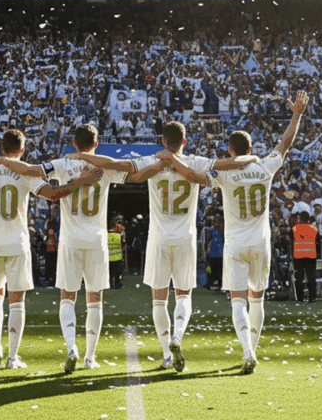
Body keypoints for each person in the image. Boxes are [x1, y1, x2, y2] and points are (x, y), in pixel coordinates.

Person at [75, 120, 254, 372]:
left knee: (159, 301)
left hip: (159, 239)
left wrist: (82, 155)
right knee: (183, 295)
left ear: (162, 141)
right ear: (184, 141)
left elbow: (116, 164)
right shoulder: (193, 161)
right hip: (185, 239)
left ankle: (167, 355)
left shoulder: (153, 160)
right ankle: (177, 337)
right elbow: (226, 163)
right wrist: (251, 158)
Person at [0, 123, 165, 374]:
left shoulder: (63, 164)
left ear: (74, 143)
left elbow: (32, 170)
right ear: (96, 144)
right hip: (97, 240)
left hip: (70, 240)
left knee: (68, 297)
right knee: (95, 300)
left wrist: (2, 160)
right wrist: (162, 164)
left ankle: (71, 348)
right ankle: (90, 357)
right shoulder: (105, 166)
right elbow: (135, 175)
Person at [0, 129, 104, 370]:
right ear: (22, 150)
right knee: (17, 301)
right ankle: (12, 358)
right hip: (17, 243)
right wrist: (80, 182)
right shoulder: (25, 173)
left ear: (1, 148)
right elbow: (53, 194)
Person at [208, 90, 308, 374]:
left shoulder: (225, 172)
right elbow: (285, 143)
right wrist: (296, 115)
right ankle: (252, 350)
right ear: (251, 148)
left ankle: (247, 351)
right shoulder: (264, 167)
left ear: (230, 151)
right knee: (257, 300)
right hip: (261, 242)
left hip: (236, 243)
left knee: (238, 300)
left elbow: (197, 175)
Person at [292, 211, 319, 303]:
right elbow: (318, 241)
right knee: (311, 277)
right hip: (311, 255)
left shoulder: (295, 229)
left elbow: (290, 240)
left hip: (298, 256)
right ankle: (312, 297)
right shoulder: (314, 229)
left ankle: (300, 297)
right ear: (308, 219)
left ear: (300, 218)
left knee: (299, 277)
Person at [204, 218, 224, 291]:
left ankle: (219, 284)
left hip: (220, 254)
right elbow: (208, 241)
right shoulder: (212, 230)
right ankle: (212, 284)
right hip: (213, 253)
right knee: (213, 270)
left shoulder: (223, 231)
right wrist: (207, 249)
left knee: (219, 270)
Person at [107, 217, 125, 290]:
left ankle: (109, 284)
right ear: (114, 227)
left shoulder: (105, 235)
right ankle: (117, 284)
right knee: (117, 272)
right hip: (117, 257)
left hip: (108, 257)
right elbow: (123, 244)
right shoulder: (118, 236)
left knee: (109, 272)